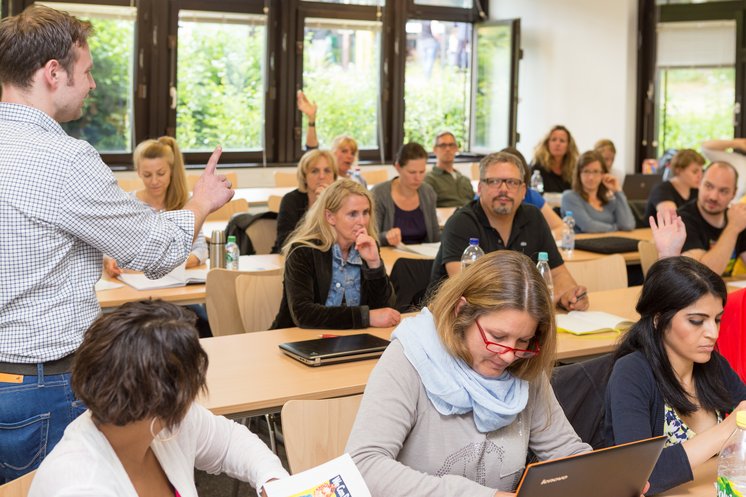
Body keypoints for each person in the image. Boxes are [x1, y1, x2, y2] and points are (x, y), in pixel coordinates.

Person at [0, 5, 232, 483]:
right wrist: (202, 202)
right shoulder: (62, 158)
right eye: (85, 72)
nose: (92, 85)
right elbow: (153, 252)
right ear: (52, 73)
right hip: (43, 384)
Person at [346, 250, 592, 495]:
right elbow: (364, 465)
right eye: (497, 337)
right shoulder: (409, 358)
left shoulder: (523, 366)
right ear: (460, 311)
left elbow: (566, 452)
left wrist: (599, 477)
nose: (508, 355)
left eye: (523, 340)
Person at [28, 300, 288, 496]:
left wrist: (272, 481)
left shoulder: (153, 421)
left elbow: (231, 442)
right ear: (163, 400)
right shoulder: (78, 485)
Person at [605, 256, 746, 494]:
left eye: (717, 320)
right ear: (659, 319)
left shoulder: (712, 364)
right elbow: (639, 476)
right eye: (697, 321)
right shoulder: (631, 373)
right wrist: (728, 429)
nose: (712, 333)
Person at [430, 151, 589, 312]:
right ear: (480, 188)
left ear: (523, 191)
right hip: (455, 321)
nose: (504, 189)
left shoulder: (534, 218)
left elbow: (557, 273)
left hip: (517, 319)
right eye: (494, 182)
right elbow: (466, 293)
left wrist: (570, 296)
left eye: (512, 182)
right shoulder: (461, 223)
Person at [271, 179, 400, 329]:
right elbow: (303, 313)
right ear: (330, 217)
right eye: (353, 214)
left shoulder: (366, 247)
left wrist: (374, 264)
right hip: (301, 341)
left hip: (353, 340)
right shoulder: (303, 251)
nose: (362, 221)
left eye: (365, 212)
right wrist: (365, 317)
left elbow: (385, 308)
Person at [103, 137, 208, 277]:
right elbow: (109, 248)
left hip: (176, 283)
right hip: (135, 284)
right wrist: (109, 260)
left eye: (161, 173)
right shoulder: (127, 204)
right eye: (147, 175)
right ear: (138, 172)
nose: (154, 181)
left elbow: (200, 250)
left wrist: (164, 265)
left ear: (171, 170)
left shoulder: (186, 204)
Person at [678, 161, 746, 276]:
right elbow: (702, 276)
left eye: (723, 191)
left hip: (728, 291)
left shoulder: (737, 219)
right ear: (699, 183)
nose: (713, 197)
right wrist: (733, 228)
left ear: (734, 194)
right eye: (709, 186)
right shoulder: (681, 219)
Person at [372, 142, 440, 246]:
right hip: (391, 258)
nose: (418, 178)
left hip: (424, 257)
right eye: (412, 172)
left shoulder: (428, 192)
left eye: (422, 172)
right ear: (398, 167)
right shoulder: (379, 194)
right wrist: (386, 236)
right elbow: (372, 237)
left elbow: (435, 236)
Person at [272, 149, 338, 253]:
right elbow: (285, 243)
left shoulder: (341, 201)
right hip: (292, 259)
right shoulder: (291, 200)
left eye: (327, 171)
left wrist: (326, 203)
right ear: (304, 177)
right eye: (314, 171)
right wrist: (317, 207)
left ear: (334, 177)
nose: (321, 176)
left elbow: (341, 241)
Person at [297, 89, 367, 187]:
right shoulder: (326, 179)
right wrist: (311, 119)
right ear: (332, 152)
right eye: (344, 151)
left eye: (353, 153)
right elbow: (311, 151)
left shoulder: (359, 180)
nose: (349, 156)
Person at [561, 150, 636, 233]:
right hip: (582, 245)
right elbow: (588, 226)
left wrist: (618, 191)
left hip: (610, 243)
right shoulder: (570, 197)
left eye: (596, 171)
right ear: (579, 174)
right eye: (586, 171)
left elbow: (628, 225)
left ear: (603, 174)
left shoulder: (610, 200)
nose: (591, 177)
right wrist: (616, 228)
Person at [502, 146, 564, 238]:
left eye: (512, 181)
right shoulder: (483, 198)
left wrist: (541, 240)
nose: (504, 188)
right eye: (497, 180)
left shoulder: (531, 196)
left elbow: (561, 228)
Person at [644, 149, 704, 221]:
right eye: (695, 172)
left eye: (702, 171)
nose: (700, 175)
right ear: (678, 170)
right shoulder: (662, 190)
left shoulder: (696, 190)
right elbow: (673, 220)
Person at [424, 131, 475, 207]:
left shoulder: (465, 179)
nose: (448, 149)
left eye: (451, 145)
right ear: (435, 150)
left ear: (456, 149)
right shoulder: (429, 179)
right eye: (443, 145)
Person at [530, 125, 579, 193]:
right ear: (547, 143)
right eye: (553, 140)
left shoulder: (574, 169)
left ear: (568, 146)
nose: (557, 144)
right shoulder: (537, 166)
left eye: (562, 141)